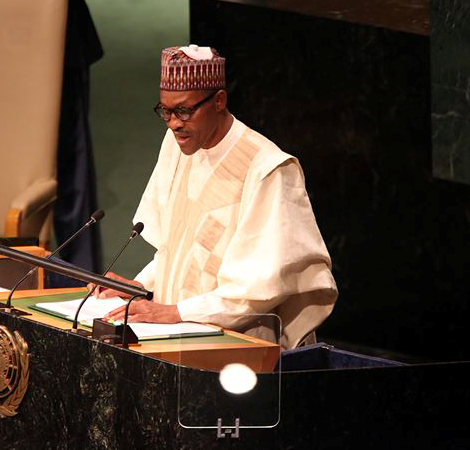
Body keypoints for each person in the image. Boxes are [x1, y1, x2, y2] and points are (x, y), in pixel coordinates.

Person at [93, 45, 337, 349]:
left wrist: (175, 312)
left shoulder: (267, 169)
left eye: (183, 111)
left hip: (238, 347)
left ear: (219, 100)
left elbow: (256, 291)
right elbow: (180, 246)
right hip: (167, 334)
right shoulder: (179, 141)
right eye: (165, 111)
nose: (173, 123)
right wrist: (139, 287)